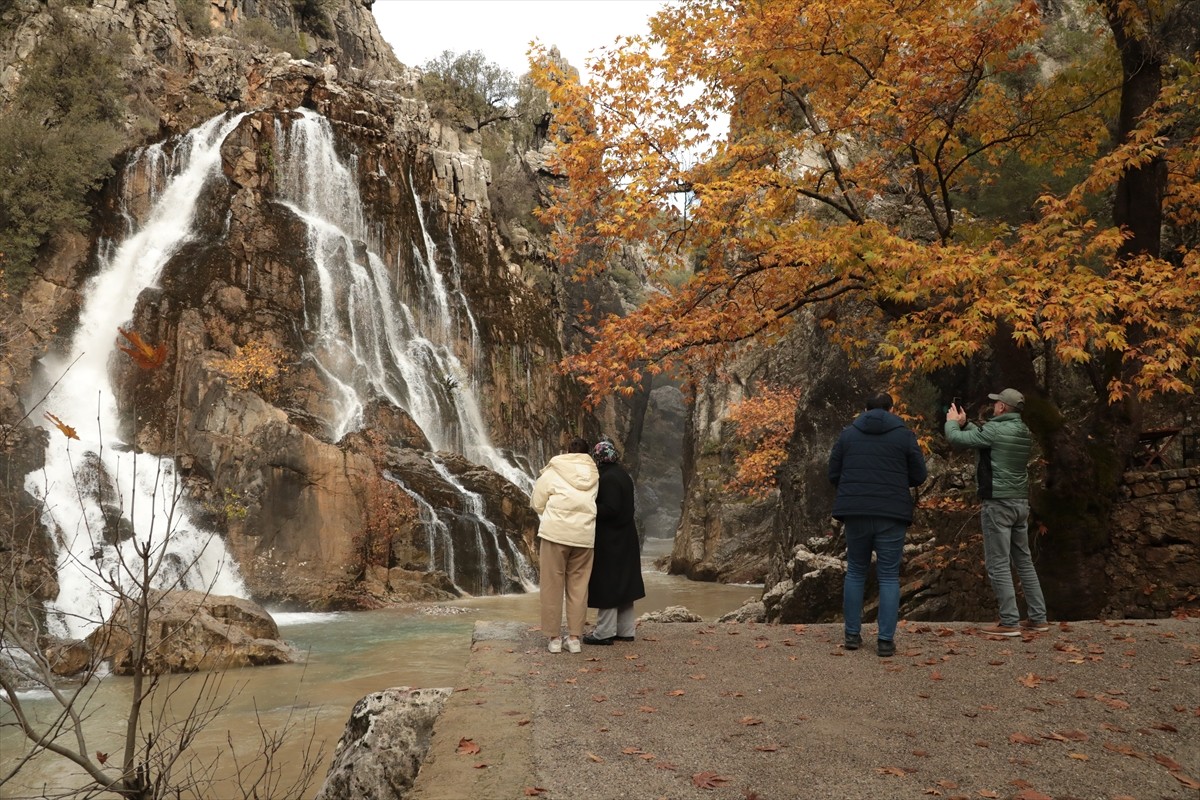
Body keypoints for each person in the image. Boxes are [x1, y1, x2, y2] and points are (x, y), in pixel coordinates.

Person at [828, 392, 928, 657]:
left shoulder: (848, 435)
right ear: (891, 409)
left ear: (865, 409)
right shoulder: (904, 436)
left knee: (855, 571)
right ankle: (885, 641)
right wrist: (897, 481)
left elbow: (833, 473)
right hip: (892, 513)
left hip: (855, 511)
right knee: (888, 576)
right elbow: (920, 475)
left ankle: (852, 635)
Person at [945, 388, 1049, 637]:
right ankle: (1038, 618)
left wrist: (952, 423)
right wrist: (966, 423)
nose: (994, 406)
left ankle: (1009, 621)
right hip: (1020, 502)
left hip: (998, 503)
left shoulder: (995, 429)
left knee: (998, 563)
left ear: (1002, 407)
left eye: (996, 403)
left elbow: (957, 440)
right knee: (1024, 561)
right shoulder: (1022, 430)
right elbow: (984, 440)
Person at [531, 437, 599, 654]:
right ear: (587, 453)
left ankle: (554, 639)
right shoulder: (594, 474)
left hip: (555, 534)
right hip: (584, 536)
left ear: (567, 451)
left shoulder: (553, 471)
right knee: (579, 588)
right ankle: (574, 639)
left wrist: (552, 514)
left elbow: (537, 503)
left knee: (552, 586)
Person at [582, 440, 646, 646]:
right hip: (626, 536)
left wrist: (588, 507)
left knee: (607, 584)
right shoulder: (623, 475)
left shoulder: (607, 478)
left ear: (598, 457)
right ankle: (625, 630)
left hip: (611, 539)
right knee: (624, 583)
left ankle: (604, 632)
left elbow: (610, 508)